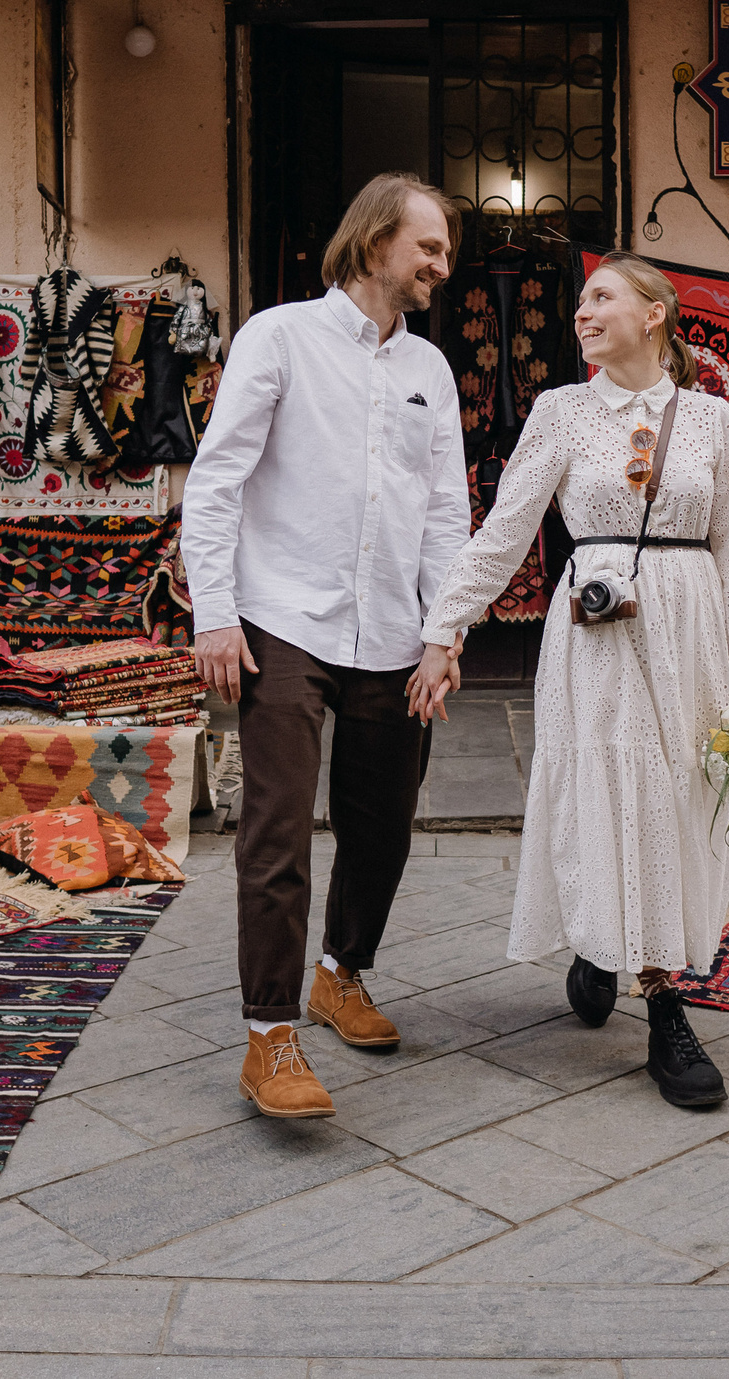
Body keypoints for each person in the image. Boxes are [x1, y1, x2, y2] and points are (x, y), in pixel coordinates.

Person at [411, 252, 729, 1108]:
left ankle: (609, 942)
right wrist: (444, 628)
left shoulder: (712, 419)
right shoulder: (560, 411)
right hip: (598, 637)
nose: (583, 312)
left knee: (679, 797)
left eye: (602, 297)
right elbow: (504, 533)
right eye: (581, 300)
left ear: (654, 315)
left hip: (692, 634)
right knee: (617, 789)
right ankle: (663, 1001)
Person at [180, 172, 472, 1121]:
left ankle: (342, 974)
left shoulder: (430, 371)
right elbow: (217, 481)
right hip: (284, 621)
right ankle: (269, 1035)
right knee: (275, 829)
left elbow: (446, 516)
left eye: (445, 251)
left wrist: (445, 632)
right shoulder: (281, 337)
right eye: (428, 246)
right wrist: (213, 612)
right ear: (377, 238)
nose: (440, 265)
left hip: (395, 630)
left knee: (385, 820)